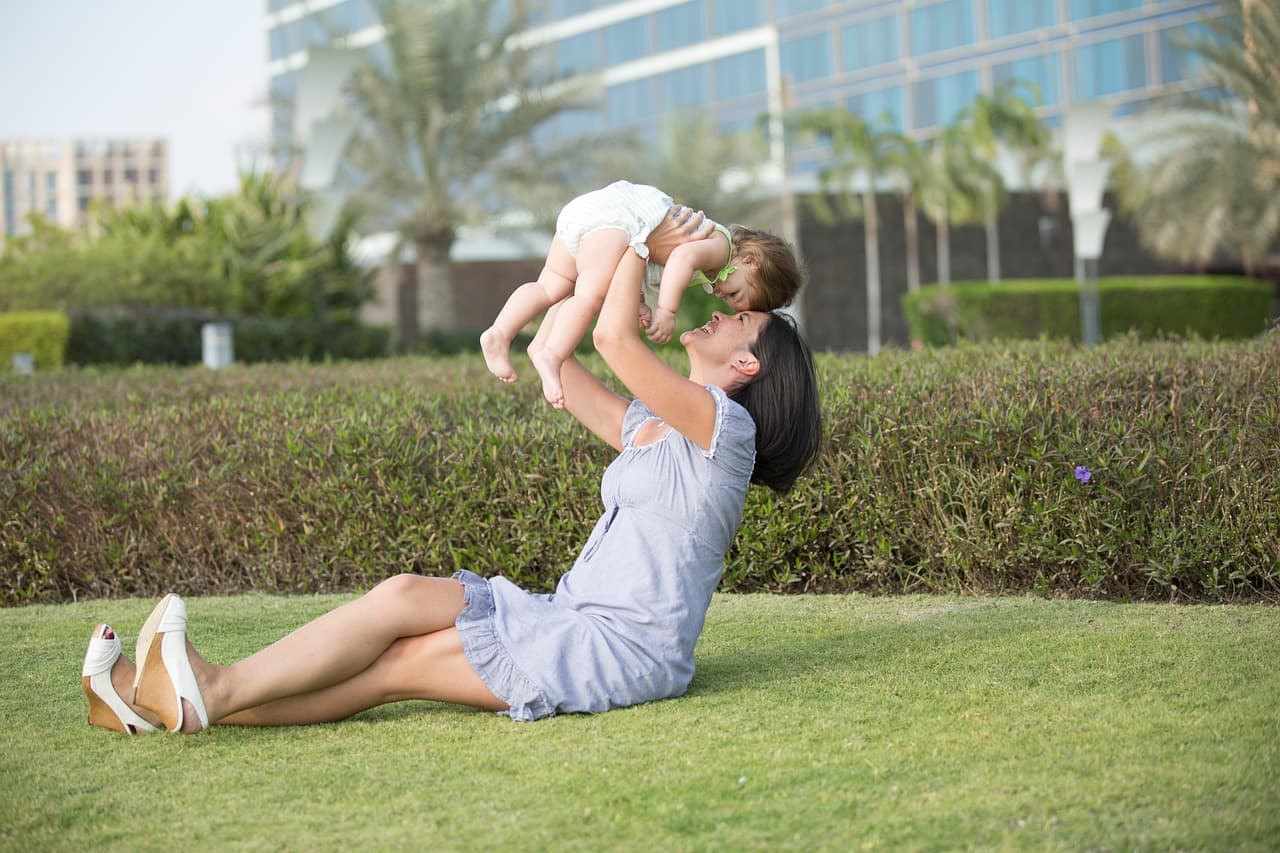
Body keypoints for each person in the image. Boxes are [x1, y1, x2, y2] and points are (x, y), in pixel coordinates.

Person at [78, 206, 823, 734]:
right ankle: (155, 699)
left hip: (620, 649)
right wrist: (567, 285)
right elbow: (567, 362)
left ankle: (203, 692)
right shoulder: (659, 427)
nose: (723, 310)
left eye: (741, 320)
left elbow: (615, 338)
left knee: (402, 664)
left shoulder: (727, 429)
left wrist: (638, 225)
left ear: (747, 363)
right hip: (565, 612)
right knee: (403, 597)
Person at [480, 180, 802, 408]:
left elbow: (647, 263)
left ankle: (500, 332)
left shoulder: (714, 260)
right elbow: (678, 257)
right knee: (589, 296)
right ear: (751, 262)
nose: (724, 299)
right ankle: (551, 354)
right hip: (621, 220)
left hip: (594, 215)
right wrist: (666, 311)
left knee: (551, 285)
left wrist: (639, 303)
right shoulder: (721, 248)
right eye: (735, 295)